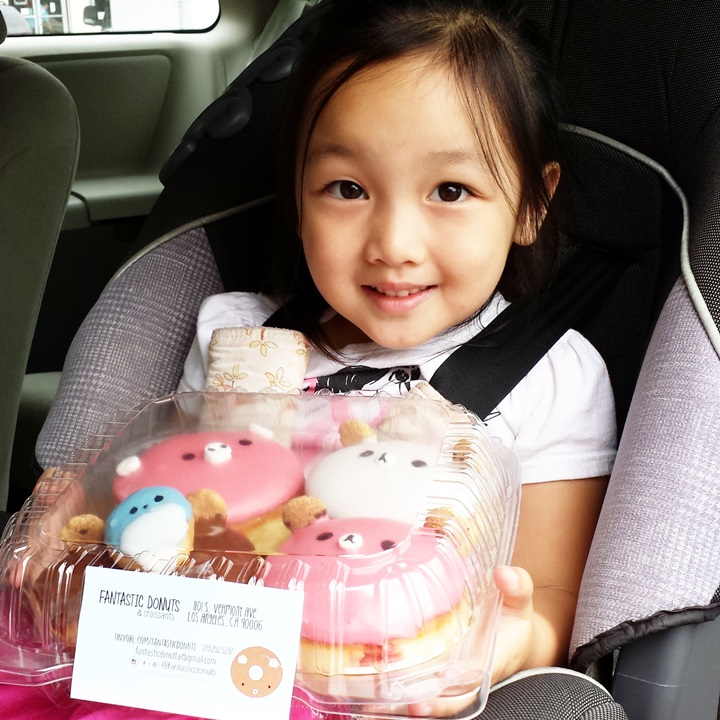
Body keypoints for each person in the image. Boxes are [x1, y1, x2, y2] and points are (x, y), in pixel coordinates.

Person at [0, 0, 616, 718]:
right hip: (204, 664)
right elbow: (180, 507)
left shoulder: (551, 376)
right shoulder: (238, 339)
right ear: (299, 197)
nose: (393, 243)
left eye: (451, 191)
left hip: (388, 686)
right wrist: (73, 526)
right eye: (347, 189)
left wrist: (504, 646)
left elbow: (549, 598)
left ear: (531, 203)